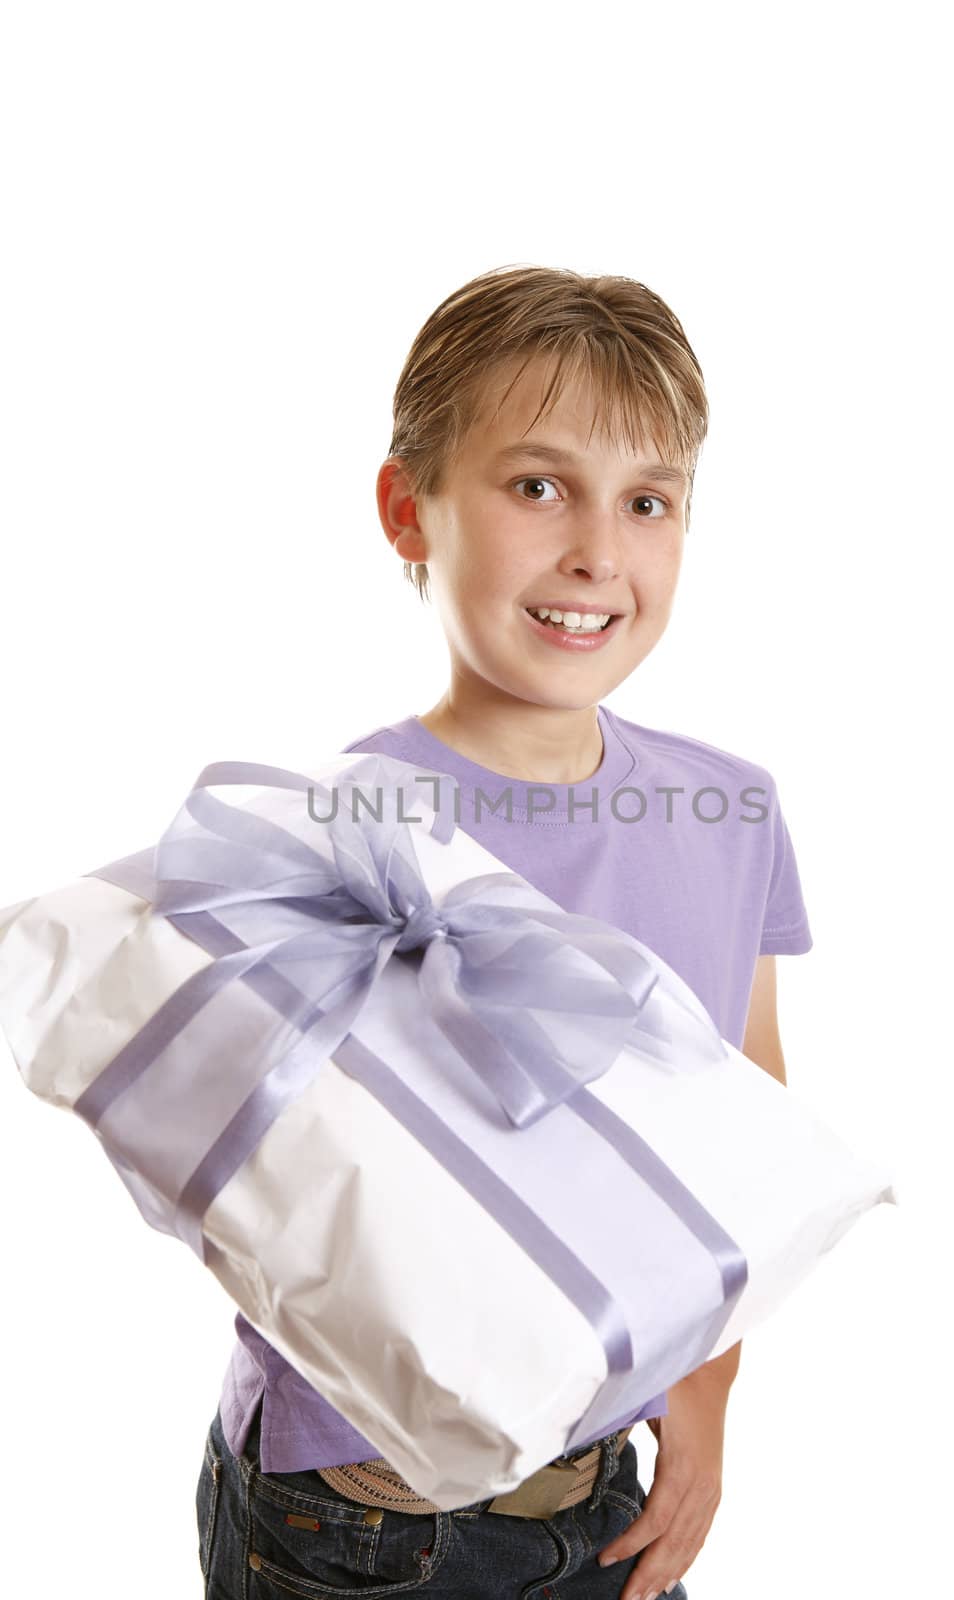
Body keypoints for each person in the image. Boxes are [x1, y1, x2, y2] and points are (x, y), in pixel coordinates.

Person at [196, 264, 813, 1599]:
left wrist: (707, 1391)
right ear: (407, 509)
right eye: (537, 487)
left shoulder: (731, 815)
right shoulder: (350, 822)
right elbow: (263, 1179)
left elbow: (747, 1139)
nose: (597, 551)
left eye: (646, 501)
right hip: (363, 1513)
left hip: (599, 1489)